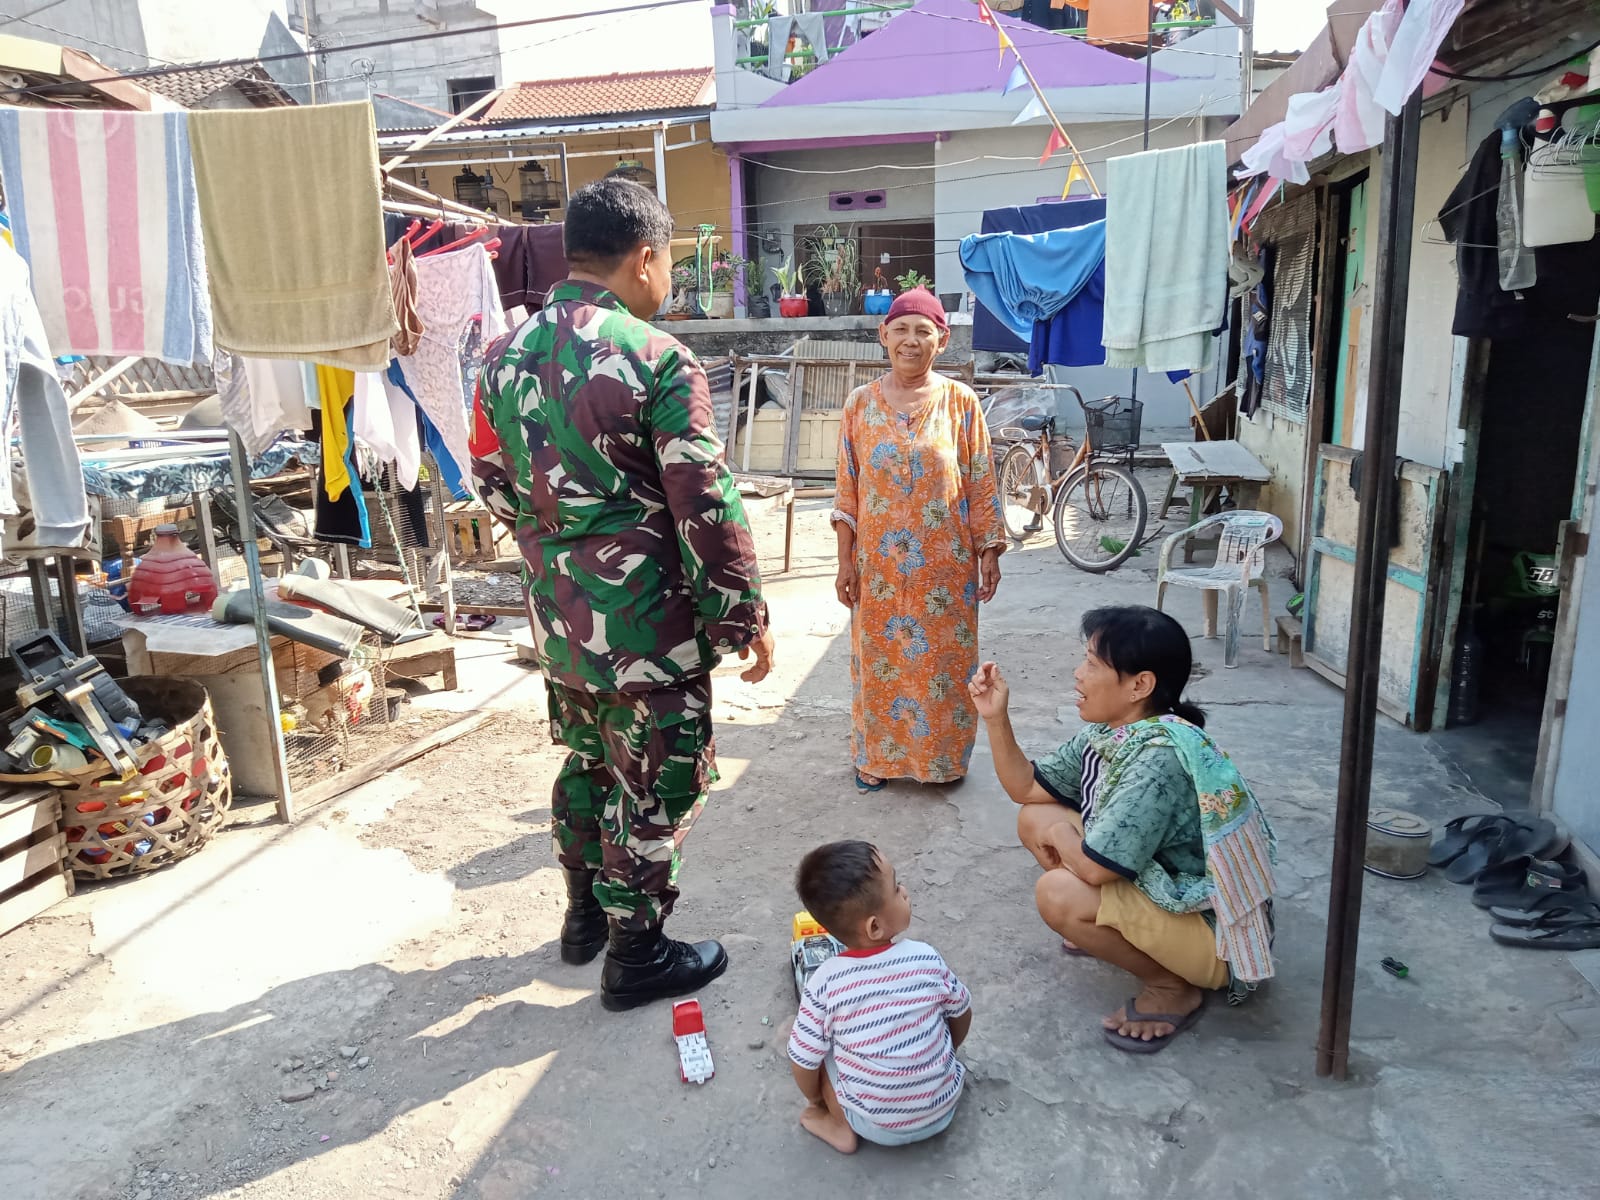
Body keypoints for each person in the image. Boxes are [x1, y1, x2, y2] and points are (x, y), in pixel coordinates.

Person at [469, 178, 776, 1012]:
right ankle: (635, 950)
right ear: (645, 257)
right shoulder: (656, 355)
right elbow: (702, 499)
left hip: (561, 621)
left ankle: (581, 920)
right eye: (669, 258)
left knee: (588, 762)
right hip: (649, 625)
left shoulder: (499, 354)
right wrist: (742, 614)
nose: (667, 274)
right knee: (657, 780)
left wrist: (558, 544)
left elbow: (490, 482)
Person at [969, 606, 1277, 1054]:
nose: (1078, 674)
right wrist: (995, 718)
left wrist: (1062, 837)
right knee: (1035, 816)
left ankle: (1173, 987)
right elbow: (1025, 787)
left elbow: (1094, 871)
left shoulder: (1158, 759)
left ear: (1140, 685)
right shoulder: (1112, 732)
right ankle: (1116, 932)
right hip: (1163, 891)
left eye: (1092, 664)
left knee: (1059, 892)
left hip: (1215, 934)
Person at [832, 288, 1005, 793]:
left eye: (923, 331)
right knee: (879, 667)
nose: (911, 341)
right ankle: (876, 760)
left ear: (942, 339)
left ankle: (942, 762)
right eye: (901, 330)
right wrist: (845, 562)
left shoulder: (961, 402)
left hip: (945, 572)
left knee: (944, 668)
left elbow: (980, 481)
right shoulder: (859, 405)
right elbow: (848, 491)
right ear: (883, 335)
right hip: (879, 574)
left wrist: (989, 551)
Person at [787, 840, 972, 1153]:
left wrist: (819, 1098)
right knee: (936, 1009)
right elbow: (962, 1012)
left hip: (876, 1127)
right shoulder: (925, 957)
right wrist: (946, 1051)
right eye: (897, 887)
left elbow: (802, 1061)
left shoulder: (825, 982)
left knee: (822, 1049)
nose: (905, 891)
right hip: (946, 1105)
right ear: (874, 927)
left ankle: (838, 1126)